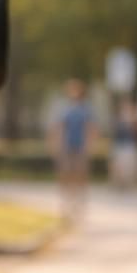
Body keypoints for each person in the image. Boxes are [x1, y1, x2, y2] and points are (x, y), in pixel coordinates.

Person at [49, 77, 97, 221]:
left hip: (80, 145)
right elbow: (59, 127)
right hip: (67, 145)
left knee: (80, 173)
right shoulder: (65, 108)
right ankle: (67, 200)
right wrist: (56, 143)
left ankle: (80, 200)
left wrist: (90, 144)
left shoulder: (85, 109)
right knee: (65, 172)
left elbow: (90, 128)